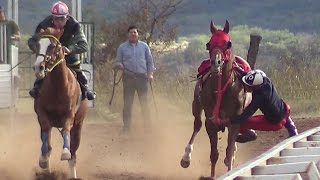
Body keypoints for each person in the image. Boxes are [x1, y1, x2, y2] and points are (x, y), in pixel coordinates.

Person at [27, 1, 96, 100]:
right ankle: (37, 87)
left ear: (67, 18)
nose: (59, 22)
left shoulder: (75, 25)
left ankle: (85, 89)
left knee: (76, 65)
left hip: (67, 53)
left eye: (62, 19)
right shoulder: (44, 24)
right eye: (56, 19)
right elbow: (32, 40)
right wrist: (37, 48)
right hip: (50, 54)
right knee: (42, 66)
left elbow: (84, 46)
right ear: (52, 18)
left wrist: (70, 49)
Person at [227, 69, 298, 143]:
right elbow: (249, 76)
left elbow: (245, 115)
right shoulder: (266, 81)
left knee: (242, 123)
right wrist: (236, 69)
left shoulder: (260, 97)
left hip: (274, 123)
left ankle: (250, 134)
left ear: (256, 87)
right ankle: (293, 132)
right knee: (283, 110)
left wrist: (229, 120)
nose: (246, 86)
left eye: (249, 86)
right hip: (285, 110)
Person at [114, 25, 156, 132]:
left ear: (138, 34)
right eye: (131, 32)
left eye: (135, 32)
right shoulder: (122, 47)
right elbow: (118, 61)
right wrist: (119, 65)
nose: (133, 34)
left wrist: (150, 74)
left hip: (142, 78)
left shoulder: (144, 46)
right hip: (128, 78)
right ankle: (126, 127)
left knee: (144, 103)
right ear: (128, 35)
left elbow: (149, 61)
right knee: (128, 104)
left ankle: (148, 126)